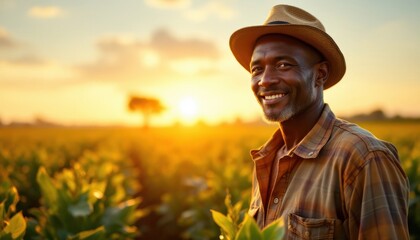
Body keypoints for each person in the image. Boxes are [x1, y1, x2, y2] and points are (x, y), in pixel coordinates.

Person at [229, 4, 410, 239]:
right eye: (257, 69)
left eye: (283, 65)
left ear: (320, 74)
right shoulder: (267, 158)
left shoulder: (364, 157)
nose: (265, 80)